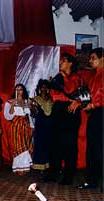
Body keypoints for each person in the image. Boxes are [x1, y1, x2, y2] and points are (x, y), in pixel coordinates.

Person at [43, 52, 82, 185]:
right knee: (55, 143)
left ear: (70, 63)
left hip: (70, 111)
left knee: (69, 144)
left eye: (64, 61)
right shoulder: (58, 77)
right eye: (60, 61)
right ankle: (54, 172)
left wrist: (65, 78)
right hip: (58, 109)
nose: (60, 63)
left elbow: (72, 92)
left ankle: (69, 175)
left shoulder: (76, 78)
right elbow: (53, 94)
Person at [77, 47, 103, 191]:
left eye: (93, 58)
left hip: (101, 111)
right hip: (94, 113)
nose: (90, 60)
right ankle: (91, 180)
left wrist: (94, 104)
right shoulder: (93, 76)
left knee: (100, 149)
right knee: (92, 149)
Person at [4, 84, 34, 175]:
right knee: (18, 146)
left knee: (26, 146)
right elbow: (8, 116)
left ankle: (25, 167)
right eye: (17, 89)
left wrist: (32, 127)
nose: (18, 91)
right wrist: (13, 106)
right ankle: (18, 167)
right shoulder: (10, 102)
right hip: (16, 126)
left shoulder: (26, 101)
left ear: (23, 91)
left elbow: (30, 116)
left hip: (26, 126)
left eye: (20, 89)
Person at [31, 79, 53, 171]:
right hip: (40, 124)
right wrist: (33, 107)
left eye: (45, 87)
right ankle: (40, 166)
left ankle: (49, 165)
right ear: (39, 88)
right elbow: (34, 114)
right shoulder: (36, 99)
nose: (44, 89)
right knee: (40, 144)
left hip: (50, 124)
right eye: (42, 87)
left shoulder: (52, 99)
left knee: (49, 144)